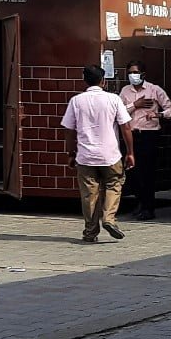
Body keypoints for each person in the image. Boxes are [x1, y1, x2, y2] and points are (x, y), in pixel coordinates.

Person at [61, 65, 135, 243]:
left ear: (84, 80)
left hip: (86, 156)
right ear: (103, 81)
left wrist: (71, 153)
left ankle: (90, 232)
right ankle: (109, 219)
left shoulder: (76, 101)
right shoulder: (113, 99)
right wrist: (130, 152)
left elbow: (69, 130)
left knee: (89, 194)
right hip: (110, 154)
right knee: (114, 185)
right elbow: (125, 127)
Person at [119, 61, 171, 220]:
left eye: (135, 72)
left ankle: (148, 207)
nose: (133, 76)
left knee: (147, 172)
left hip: (149, 134)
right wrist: (134, 105)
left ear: (143, 74)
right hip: (131, 134)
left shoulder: (154, 89)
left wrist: (159, 115)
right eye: (130, 72)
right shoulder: (125, 91)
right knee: (133, 172)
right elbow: (118, 111)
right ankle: (139, 203)